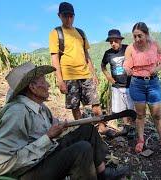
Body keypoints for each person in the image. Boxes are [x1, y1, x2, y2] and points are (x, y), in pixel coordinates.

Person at [0, 62, 128, 180]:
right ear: (33, 87)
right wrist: (47, 137)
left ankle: (102, 175)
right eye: (44, 81)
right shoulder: (17, 114)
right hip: (28, 172)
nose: (49, 85)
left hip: (45, 154)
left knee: (87, 130)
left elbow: (55, 128)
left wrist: (63, 128)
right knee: (82, 149)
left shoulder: (40, 107)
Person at [49, 2, 113, 136]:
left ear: (74, 16)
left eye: (71, 16)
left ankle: (102, 126)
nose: (68, 19)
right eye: (65, 16)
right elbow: (55, 58)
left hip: (85, 74)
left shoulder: (80, 33)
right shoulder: (56, 33)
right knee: (75, 106)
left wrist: (93, 74)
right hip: (69, 76)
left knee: (95, 103)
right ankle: (83, 131)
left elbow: (86, 55)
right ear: (59, 16)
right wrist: (60, 80)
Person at [123, 22, 161, 156]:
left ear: (146, 34)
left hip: (153, 83)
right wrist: (126, 69)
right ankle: (140, 140)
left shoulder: (155, 45)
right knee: (140, 115)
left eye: (140, 36)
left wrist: (157, 69)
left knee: (157, 115)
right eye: (135, 36)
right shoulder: (130, 48)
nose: (137, 39)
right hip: (137, 84)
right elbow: (125, 64)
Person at [101, 29, 135, 138]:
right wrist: (109, 77)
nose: (113, 44)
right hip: (116, 86)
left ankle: (132, 128)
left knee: (131, 108)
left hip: (129, 84)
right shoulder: (108, 54)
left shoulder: (127, 49)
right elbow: (103, 66)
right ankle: (126, 128)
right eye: (111, 42)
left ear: (120, 40)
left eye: (115, 41)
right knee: (122, 109)